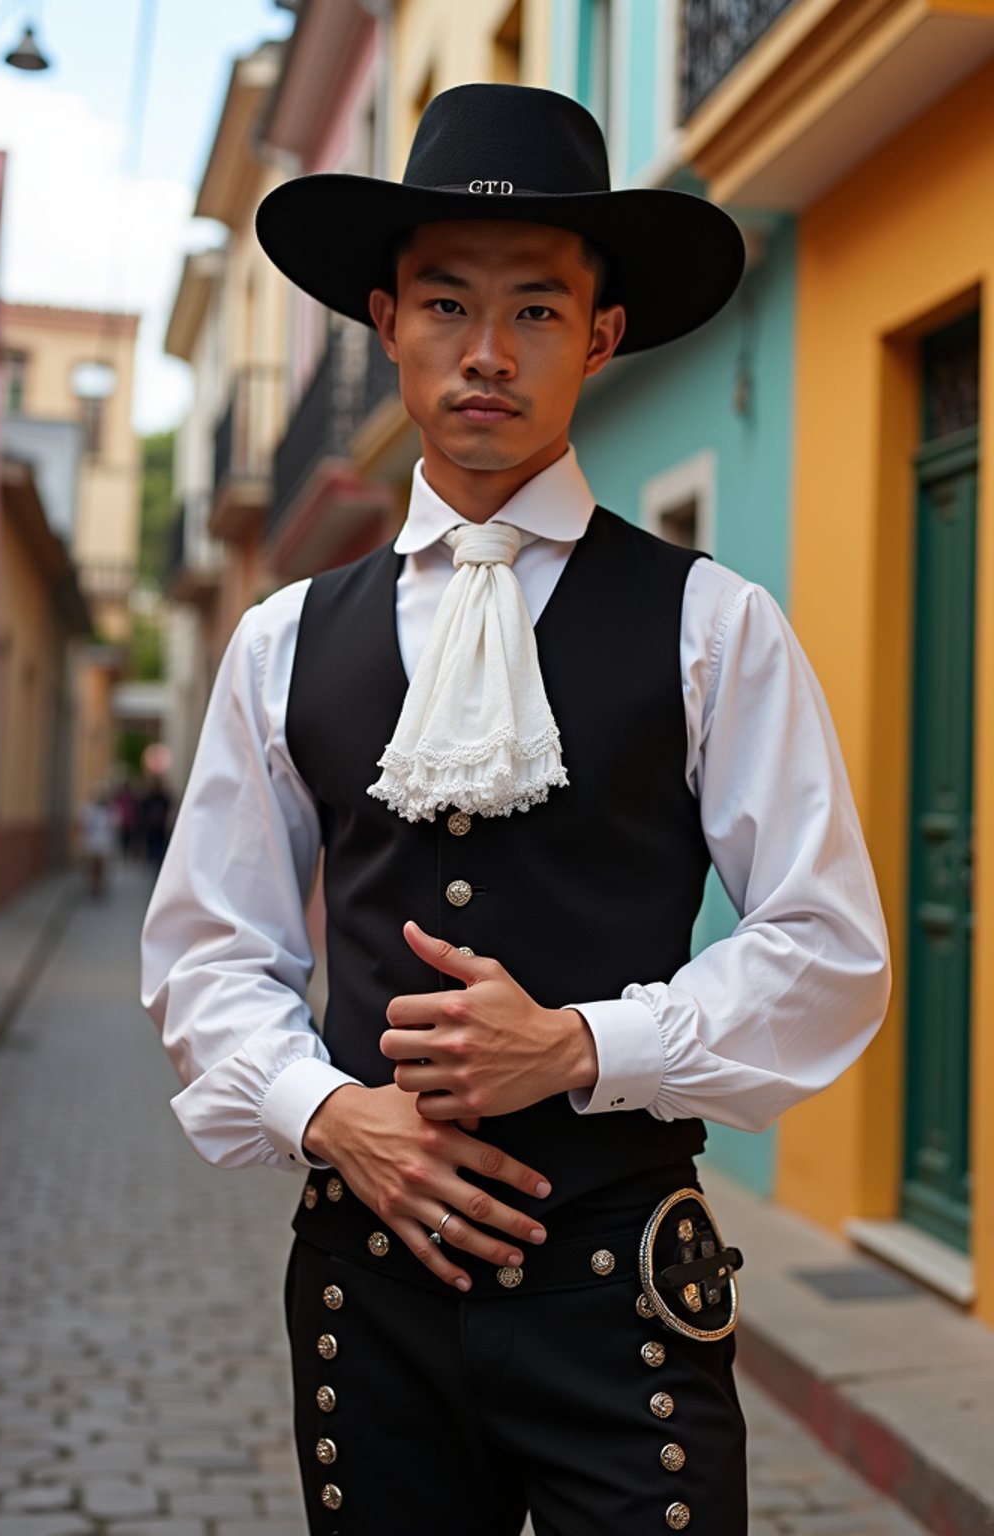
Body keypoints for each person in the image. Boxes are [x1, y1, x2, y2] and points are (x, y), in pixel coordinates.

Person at [140, 83, 891, 1536]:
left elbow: (827, 946)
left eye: (537, 311)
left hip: (619, 1297)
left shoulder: (715, 626)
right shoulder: (282, 641)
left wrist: (580, 1045)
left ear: (601, 338)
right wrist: (329, 1112)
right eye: (445, 306)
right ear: (387, 323)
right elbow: (206, 954)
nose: (486, 353)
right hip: (371, 1294)